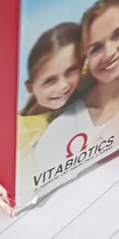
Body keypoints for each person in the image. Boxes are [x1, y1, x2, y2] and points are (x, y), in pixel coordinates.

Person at [32, 0, 119, 181]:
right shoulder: (60, 130)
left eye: (118, 34)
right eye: (96, 48)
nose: (109, 53)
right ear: (85, 58)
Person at [17, 23, 82, 167]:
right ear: (30, 87)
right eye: (50, 80)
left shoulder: (82, 90)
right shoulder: (25, 131)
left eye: (71, 71)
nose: (63, 85)